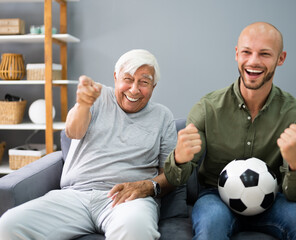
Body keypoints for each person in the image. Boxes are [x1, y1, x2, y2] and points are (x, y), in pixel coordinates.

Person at [164, 22, 296, 240]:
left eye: (265, 54)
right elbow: (175, 179)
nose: (254, 61)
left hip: (272, 200)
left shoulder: (294, 117)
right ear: (237, 54)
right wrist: (179, 159)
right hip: (215, 197)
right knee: (211, 225)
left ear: (281, 58)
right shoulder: (207, 108)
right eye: (246, 52)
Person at [0, 49, 177, 240]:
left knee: (136, 230)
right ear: (116, 77)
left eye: (144, 82)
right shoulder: (96, 96)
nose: (134, 89)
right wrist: (83, 105)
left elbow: (169, 175)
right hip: (75, 195)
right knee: (9, 224)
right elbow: (73, 132)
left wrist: (146, 186)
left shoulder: (162, 116)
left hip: (127, 200)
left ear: (154, 86)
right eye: (128, 79)